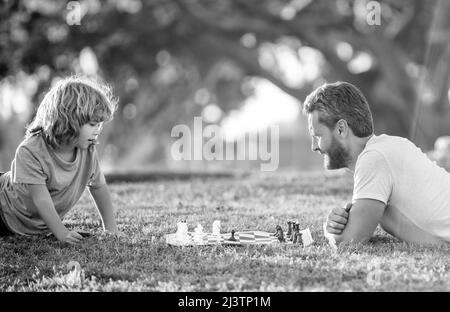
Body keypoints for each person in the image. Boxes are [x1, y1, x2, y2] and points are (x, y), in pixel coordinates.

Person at [303, 81, 450, 245]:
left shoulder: (374, 158)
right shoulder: (391, 145)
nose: (314, 146)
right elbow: (434, 242)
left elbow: (348, 242)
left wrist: (328, 230)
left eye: (318, 136)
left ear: (341, 129)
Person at [0, 76, 119, 245]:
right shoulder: (31, 151)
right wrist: (61, 233)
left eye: (99, 125)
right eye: (93, 124)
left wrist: (111, 229)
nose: (97, 130)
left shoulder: (88, 151)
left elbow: (99, 187)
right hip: (4, 211)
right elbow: (41, 199)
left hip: (33, 225)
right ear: (70, 120)